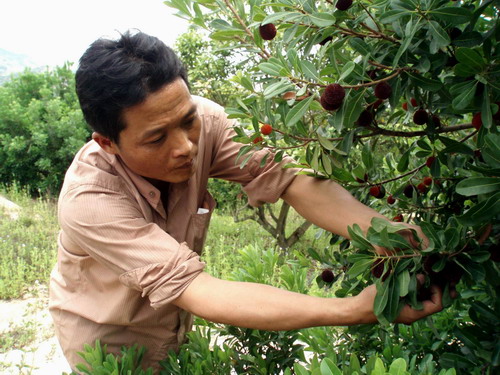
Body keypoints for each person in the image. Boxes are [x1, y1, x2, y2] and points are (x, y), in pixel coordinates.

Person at [49, 30, 443, 373]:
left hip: (174, 333)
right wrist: (354, 309)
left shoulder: (206, 121)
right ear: (107, 142)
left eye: (188, 121)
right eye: (156, 139)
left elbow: (290, 179)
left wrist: (384, 231)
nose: (185, 146)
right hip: (109, 351)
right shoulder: (91, 200)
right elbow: (197, 289)